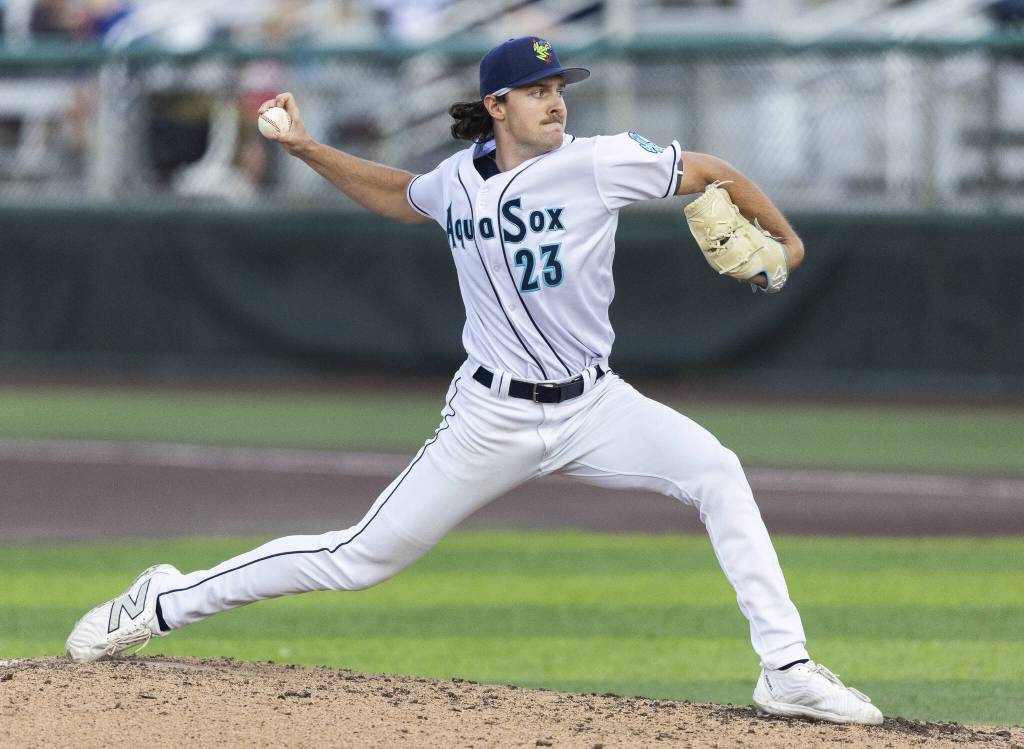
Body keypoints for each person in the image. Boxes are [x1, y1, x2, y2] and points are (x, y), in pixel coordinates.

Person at [66, 36, 883, 726]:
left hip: (595, 403)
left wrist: (789, 243)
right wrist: (306, 149)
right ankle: (165, 599)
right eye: (535, 90)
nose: (555, 101)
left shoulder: (598, 165)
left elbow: (710, 168)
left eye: (558, 87)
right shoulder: (459, 178)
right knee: (358, 558)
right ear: (497, 106)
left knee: (717, 471)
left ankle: (786, 667)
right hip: (490, 417)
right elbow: (400, 196)